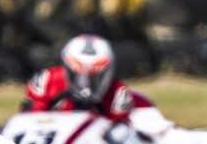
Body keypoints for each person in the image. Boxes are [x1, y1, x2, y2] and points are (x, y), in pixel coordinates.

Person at [21, 34, 157, 126]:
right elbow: (27, 124)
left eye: (93, 77)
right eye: (79, 76)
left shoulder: (118, 96)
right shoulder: (46, 83)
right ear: (67, 69)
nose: (85, 85)